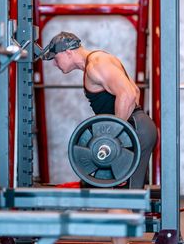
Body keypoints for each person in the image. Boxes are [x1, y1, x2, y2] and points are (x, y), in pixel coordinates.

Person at [42, 31, 157, 244]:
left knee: (118, 198)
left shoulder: (96, 64)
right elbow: (134, 91)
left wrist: (114, 135)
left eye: (55, 58)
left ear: (67, 52)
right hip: (137, 129)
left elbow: (129, 95)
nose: (55, 65)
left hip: (134, 132)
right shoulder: (99, 61)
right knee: (115, 196)